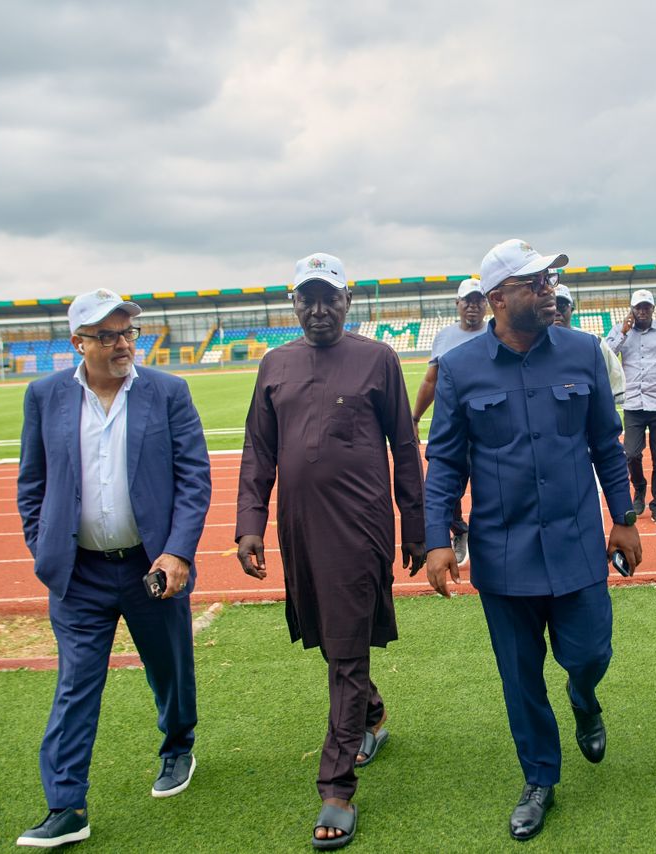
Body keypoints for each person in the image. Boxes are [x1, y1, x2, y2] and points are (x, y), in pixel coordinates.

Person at [424, 238, 641, 842]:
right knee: (520, 676)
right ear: (497, 298)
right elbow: (443, 462)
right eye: (535, 282)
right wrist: (438, 538)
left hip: (577, 544)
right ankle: (540, 777)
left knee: (590, 653)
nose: (549, 289)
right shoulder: (462, 368)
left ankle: (584, 696)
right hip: (502, 552)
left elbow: (606, 442)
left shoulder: (583, 352)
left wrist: (623, 516)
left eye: (549, 280)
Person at [235, 252, 426, 850]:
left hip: (360, 526)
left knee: (344, 646)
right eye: (306, 298)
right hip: (298, 527)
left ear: (349, 301)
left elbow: (404, 444)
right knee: (325, 632)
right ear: (293, 303)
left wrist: (416, 525)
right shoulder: (275, 365)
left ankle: (336, 788)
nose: (318, 309)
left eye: (330, 298)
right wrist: (250, 525)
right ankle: (369, 714)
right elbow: (258, 452)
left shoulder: (379, 359)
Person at [15, 288, 212, 848]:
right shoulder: (44, 395)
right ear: (78, 342)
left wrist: (176, 552)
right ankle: (66, 805)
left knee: (169, 668)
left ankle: (177, 747)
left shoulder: (168, 392)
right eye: (107, 335)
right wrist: (44, 546)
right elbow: (32, 484)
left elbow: (194, 480)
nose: (122, 343)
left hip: (151, 567)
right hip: (78, 575)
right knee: (75, 685)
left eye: (127, 332)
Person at [411, 277, 488, 564]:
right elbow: (430, 380)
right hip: (451, 427)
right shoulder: (444, 337)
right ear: (458, 304)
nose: (473, 306)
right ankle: (459, 530)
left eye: (479, 300)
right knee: (447, 486)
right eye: (468, 300)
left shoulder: (495, 333)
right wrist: (415, 416)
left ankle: (490, 539)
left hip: (486, 426)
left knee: (490, 484)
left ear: (487, 303)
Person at [605, 289, 656, 521]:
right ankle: (639, 488)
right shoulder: (620, 331)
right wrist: (624, 332)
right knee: (631, 454)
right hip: (633, 404)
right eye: (638, 307)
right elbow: (607, 356)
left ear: (653, 309)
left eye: (646, 307)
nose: (642, 311)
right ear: (632, 310)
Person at [554, 282, 625, 405]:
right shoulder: (532, 344)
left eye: (562, 305)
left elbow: (614, 373)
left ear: (572, 309)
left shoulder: (593, 341)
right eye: (552, 305)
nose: (557, 312)